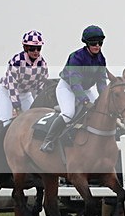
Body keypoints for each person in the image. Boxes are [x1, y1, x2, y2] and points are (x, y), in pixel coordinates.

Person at [0, 30, 49, 160]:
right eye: (32, 48)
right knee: (5, 122)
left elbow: (40, 87)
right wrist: (17, 107)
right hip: (7, 93)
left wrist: (40, 104)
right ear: (25, 47)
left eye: (38, 48)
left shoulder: (42, 64)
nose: (36, 51)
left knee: (35, 123)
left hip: (26, 94)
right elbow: (12, 86)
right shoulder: (16, 61)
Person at [41, 25, 108, 153]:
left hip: (86, 88)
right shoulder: (76, 57)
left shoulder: (101, 59)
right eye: (94, 43)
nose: (97, 46)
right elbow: (75, 84)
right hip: (67, 87)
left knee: (99, 111)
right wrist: (85, 102)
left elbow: (101, 83)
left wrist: (104, 99)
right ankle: (48, 140)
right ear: (87, 44)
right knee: (68, 114)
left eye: (100, 43)